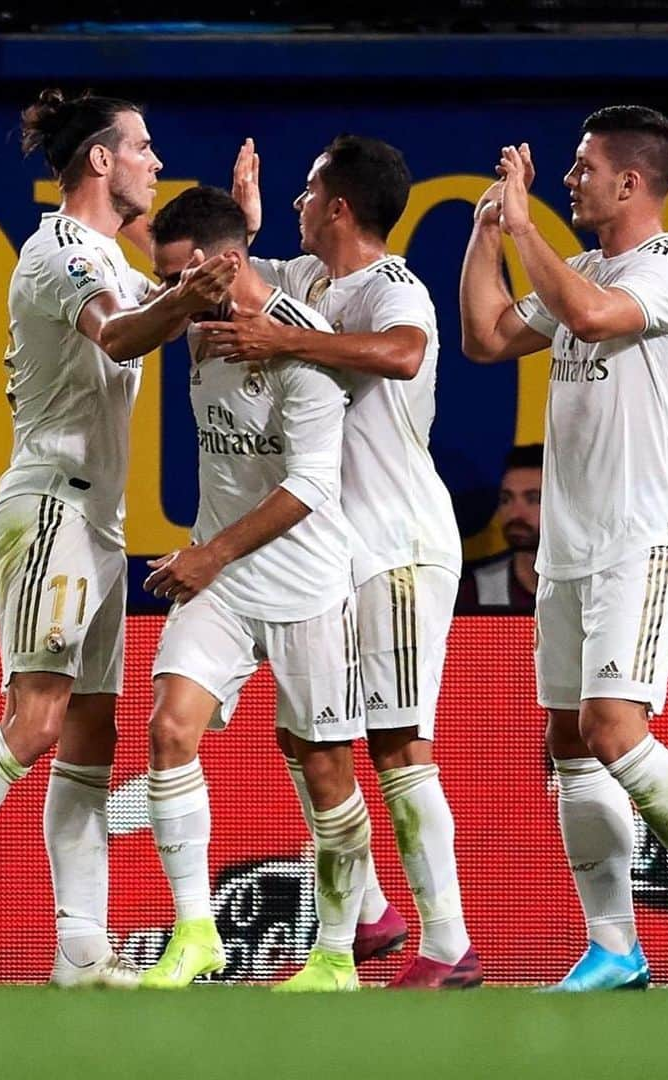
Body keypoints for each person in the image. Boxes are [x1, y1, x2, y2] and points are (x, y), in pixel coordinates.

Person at [0, 89, 237, 988]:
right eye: (143, 145)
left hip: (97, 525)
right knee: (33, 721)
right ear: (100, 161)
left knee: (91, 738)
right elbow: (119, 335)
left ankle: (81, 951)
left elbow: (168, 309)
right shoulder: (61, 250)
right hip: (51, 512)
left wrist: (229, 251)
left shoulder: (105, 253)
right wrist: (186, 295)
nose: (155, 158)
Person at [459, 105, 668, 991]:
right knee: (568, 742)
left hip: (646, 536)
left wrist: (526, 228)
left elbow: (589, 316)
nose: (568, 178)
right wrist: (488, 231)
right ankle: (616, 946)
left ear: (631, 182)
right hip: (572, 546)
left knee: (610, 727)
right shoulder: (579, 267)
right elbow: (484, 338)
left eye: (584, 167)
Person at [202, 135, 481, 988]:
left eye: (308, 188)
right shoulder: (308, 282)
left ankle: (450, 945)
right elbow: (233, 276)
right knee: (305, 733)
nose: (297, 201)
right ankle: (367, 913)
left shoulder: (391, 286)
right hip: (332, 556)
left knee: (398, 743)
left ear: (341, 207)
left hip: (397, 546)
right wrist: (239, 223)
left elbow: (402, 354)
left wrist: (287, 347)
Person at [143, 185, 368, 992]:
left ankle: (337, 955)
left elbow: (310, 484)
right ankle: (195, 933)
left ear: (227, 265)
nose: (171, 296)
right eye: (165, 279)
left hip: (307, 585)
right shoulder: (199, 324)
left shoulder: (303, 348)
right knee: (170, 731)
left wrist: (209, 554)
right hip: (226, 582)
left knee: (324, 771)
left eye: (180, 278)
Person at [456, 443, 542, 612]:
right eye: (506, 499)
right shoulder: (475, 591)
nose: (515, 513)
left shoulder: (594, 589)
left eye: (533, 499)